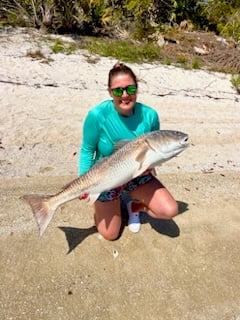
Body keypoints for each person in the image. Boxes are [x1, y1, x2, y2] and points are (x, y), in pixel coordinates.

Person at [78, 62, 178, 240]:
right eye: (118, 91)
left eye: (130, 89)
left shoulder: (150, 115)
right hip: (106, 175)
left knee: (169, 210)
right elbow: (87, 151)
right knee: (110, 234)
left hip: (137, 172)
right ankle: (108, 205)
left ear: (137, 89)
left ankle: (134, 207)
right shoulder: (97, 115)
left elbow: (155, 148)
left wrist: (153, 165)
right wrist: (85, 182)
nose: (124, 95)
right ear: (110, 92)